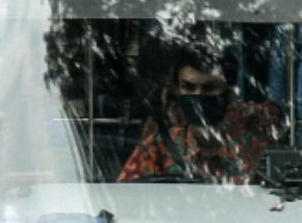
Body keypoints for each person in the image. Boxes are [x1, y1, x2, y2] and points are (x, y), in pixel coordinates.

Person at [117, 48, 283, 183]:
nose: (198, 96)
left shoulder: (256, 148)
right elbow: (126, 199)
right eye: (189, 88)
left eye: (210, 88)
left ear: (229, 94)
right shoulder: (156, 147)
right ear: (177, 92)